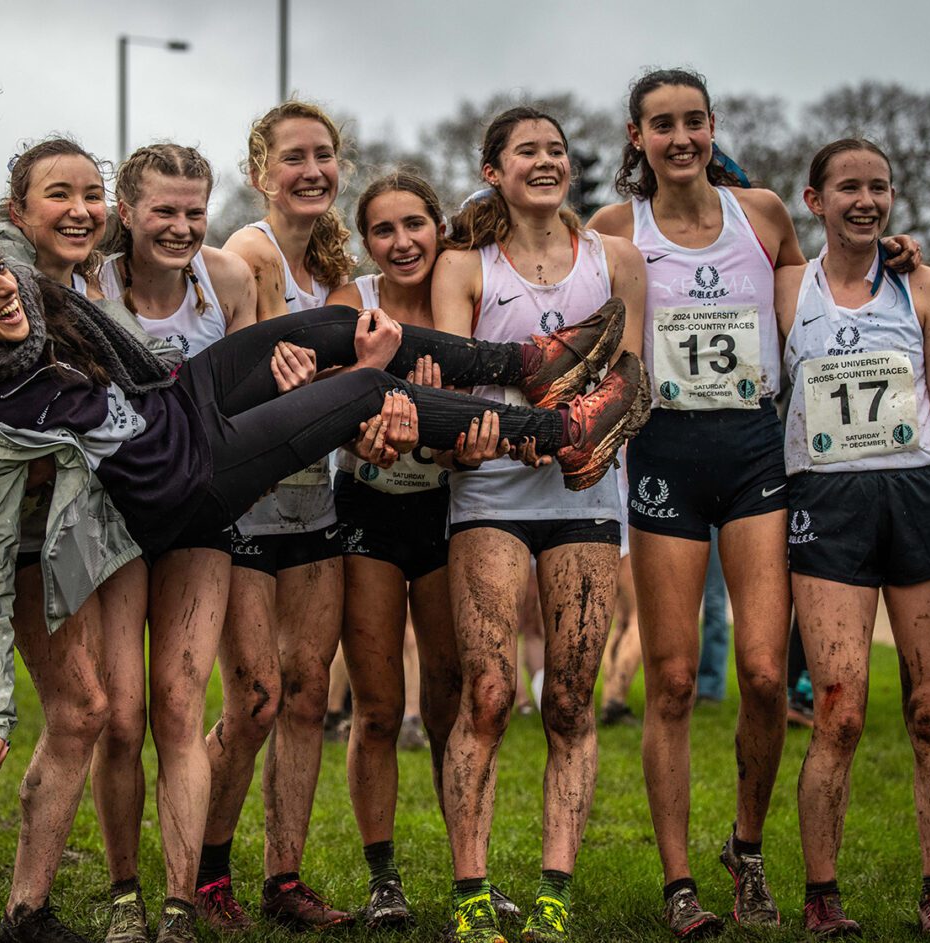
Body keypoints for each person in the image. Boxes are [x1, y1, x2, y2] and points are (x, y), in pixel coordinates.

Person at [0, 225, 643, 942]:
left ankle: (529, 362)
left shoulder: (38, 329)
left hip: (173, 401)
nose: (6, 288)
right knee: (363, 392)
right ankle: (564, 434)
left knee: (339, 329)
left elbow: (41, 277)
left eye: (1, 270)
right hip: (189, 477)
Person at [588, 69, 918, 937]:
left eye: (695, 121)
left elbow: (812, 305)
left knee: (767, 675)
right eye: (662, 125)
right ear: (638, 138)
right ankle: (678, 883)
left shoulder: (764, 214)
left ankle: (747, 846)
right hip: (662, 453)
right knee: (666, 679)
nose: (682, 137)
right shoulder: (615, 229)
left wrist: (892, 259)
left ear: (711, 126)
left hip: (751, 449)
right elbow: (560, 298)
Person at [0, 137, 168, 943]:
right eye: (59, 194)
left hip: (39, 536)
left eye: (92, 194)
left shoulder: (82, 293)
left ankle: (28, 910)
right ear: (18, 209)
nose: (80, 209)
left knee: (82, 708)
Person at [432, 105, 649, 943]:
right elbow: (451, 393)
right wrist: (503, 433)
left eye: (556, 149)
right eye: (528, 151)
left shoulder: (615, 259)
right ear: (495, 171)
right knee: (488, 696)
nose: (547, 160)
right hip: (489, 496)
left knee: (567, 699)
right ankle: (472, 894)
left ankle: (555, 892)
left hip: (586, 500)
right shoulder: (467, 267)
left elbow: (634, 382)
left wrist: (578, 432)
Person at [777, 138, 930, 937]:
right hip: (826, 502)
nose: (865, 200)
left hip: (920, 497)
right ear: (815, 199)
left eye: (879, 187)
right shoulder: (787, 287)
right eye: (848, 188)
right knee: (839, 712)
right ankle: (822, 896)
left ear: (893, 197)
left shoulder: (924, 285)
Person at [325, 170, 512, 929]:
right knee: (376, 709)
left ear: (439, 227)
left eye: (415, 225)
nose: (402, 242)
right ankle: (384, 881)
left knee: (450, 702)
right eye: (383, 229)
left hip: (445, 510)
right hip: (368, 507)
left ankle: (473, 875)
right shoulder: (351, 300)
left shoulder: (464, 290)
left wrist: (450, 428)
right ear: (365, 240)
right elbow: (330, 405)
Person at [93, 143, 258, 943]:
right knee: (121, 716)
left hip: (198, 514)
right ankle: (123, 892)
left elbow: (253, 397)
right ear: (125, 210)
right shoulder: (87, 284)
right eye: (163, 210)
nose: (182, 226)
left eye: (195, 210)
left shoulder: (226, 281)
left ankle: (178, 901)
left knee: (181, 707)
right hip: (113, 517)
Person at [201, 100, 356, 931]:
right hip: (247, 512)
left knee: (305, 698)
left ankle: (284, 878)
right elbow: (228, 391)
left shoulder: (336, 275)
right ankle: (207, 870)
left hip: (314, 503)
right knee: (254, 696)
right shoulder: (245, 257)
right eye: (292, 157)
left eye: (323, 155)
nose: (311, 170)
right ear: (260, 172)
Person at [600, 452, 643, 727]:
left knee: (620, 621)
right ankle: (615, 698)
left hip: (601, 512)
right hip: (625, 515)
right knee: (641, 618)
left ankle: (609, 695)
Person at [695, 532, 730, 703]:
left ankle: (709, 688)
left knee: (714, 602)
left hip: (717, 517)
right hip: (682, 510)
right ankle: (672, 680)